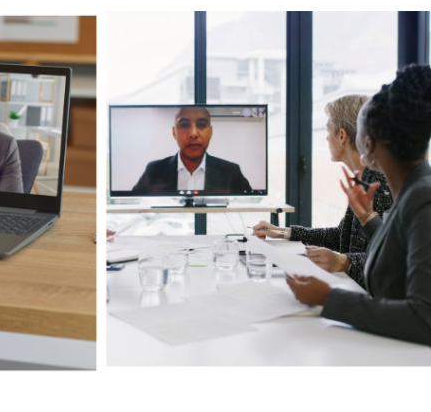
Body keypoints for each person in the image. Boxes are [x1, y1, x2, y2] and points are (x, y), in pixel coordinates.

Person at [286, 64, 431, 346]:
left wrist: (328, 298)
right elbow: (400, 262)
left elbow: (424, 317)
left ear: (367, 143)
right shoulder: (414, 190)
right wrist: (368, 219)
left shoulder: (422, 198)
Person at [253, 95, 393, 290]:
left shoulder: (380, 184)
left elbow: (392, 260)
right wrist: (285, 232)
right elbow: (341, 236)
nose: (327, 138)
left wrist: (345, 262)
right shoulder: (364, 177)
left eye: (328, 129)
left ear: (342, 136)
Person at [132, 106, 252, 194]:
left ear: (210, 132)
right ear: (174, 132)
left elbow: (252, 204)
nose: (193, 134)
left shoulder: (231, 172)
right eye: (184, 125)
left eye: (201, 125)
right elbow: (133, 203)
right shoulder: (154, 170)